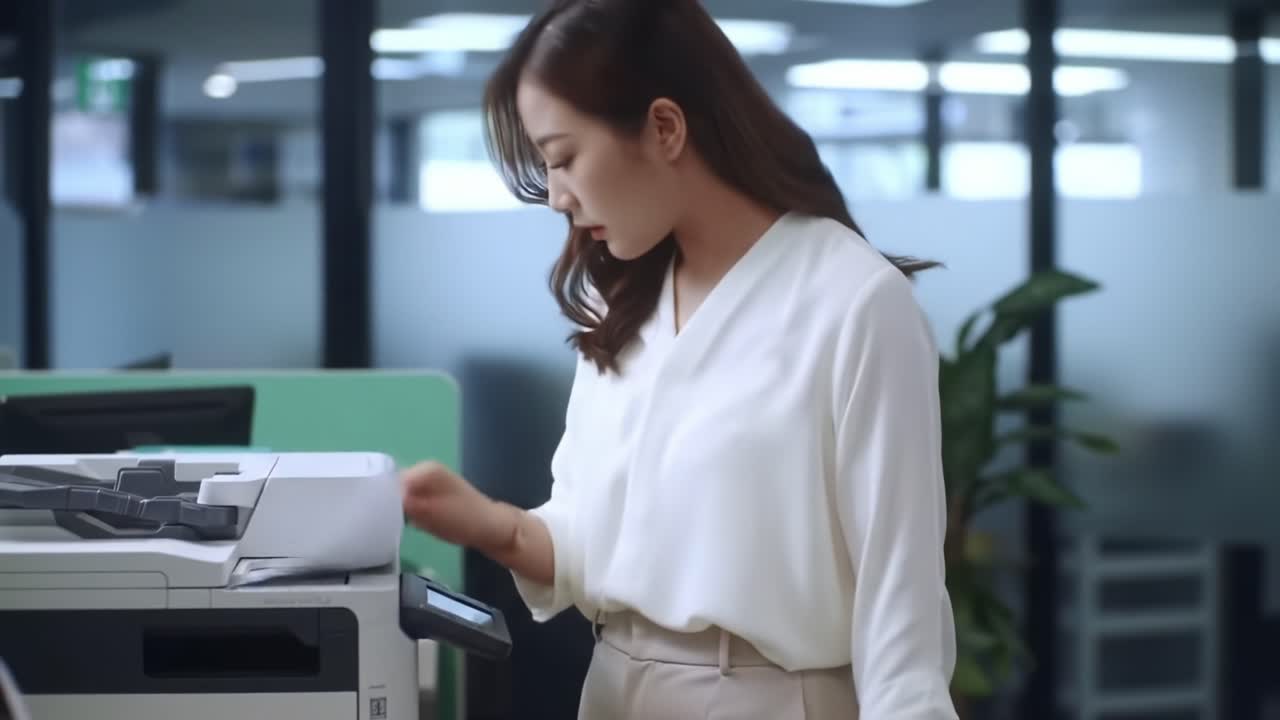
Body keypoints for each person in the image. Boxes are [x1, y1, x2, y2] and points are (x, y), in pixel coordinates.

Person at [401, 0, 959, 717]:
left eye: (564, 158)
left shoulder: (853, 302)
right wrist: (493, 526)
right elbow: (585, 546)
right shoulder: (620, 303)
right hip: (613, 689)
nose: (557, 198)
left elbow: (900, 628)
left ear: (664, 127)